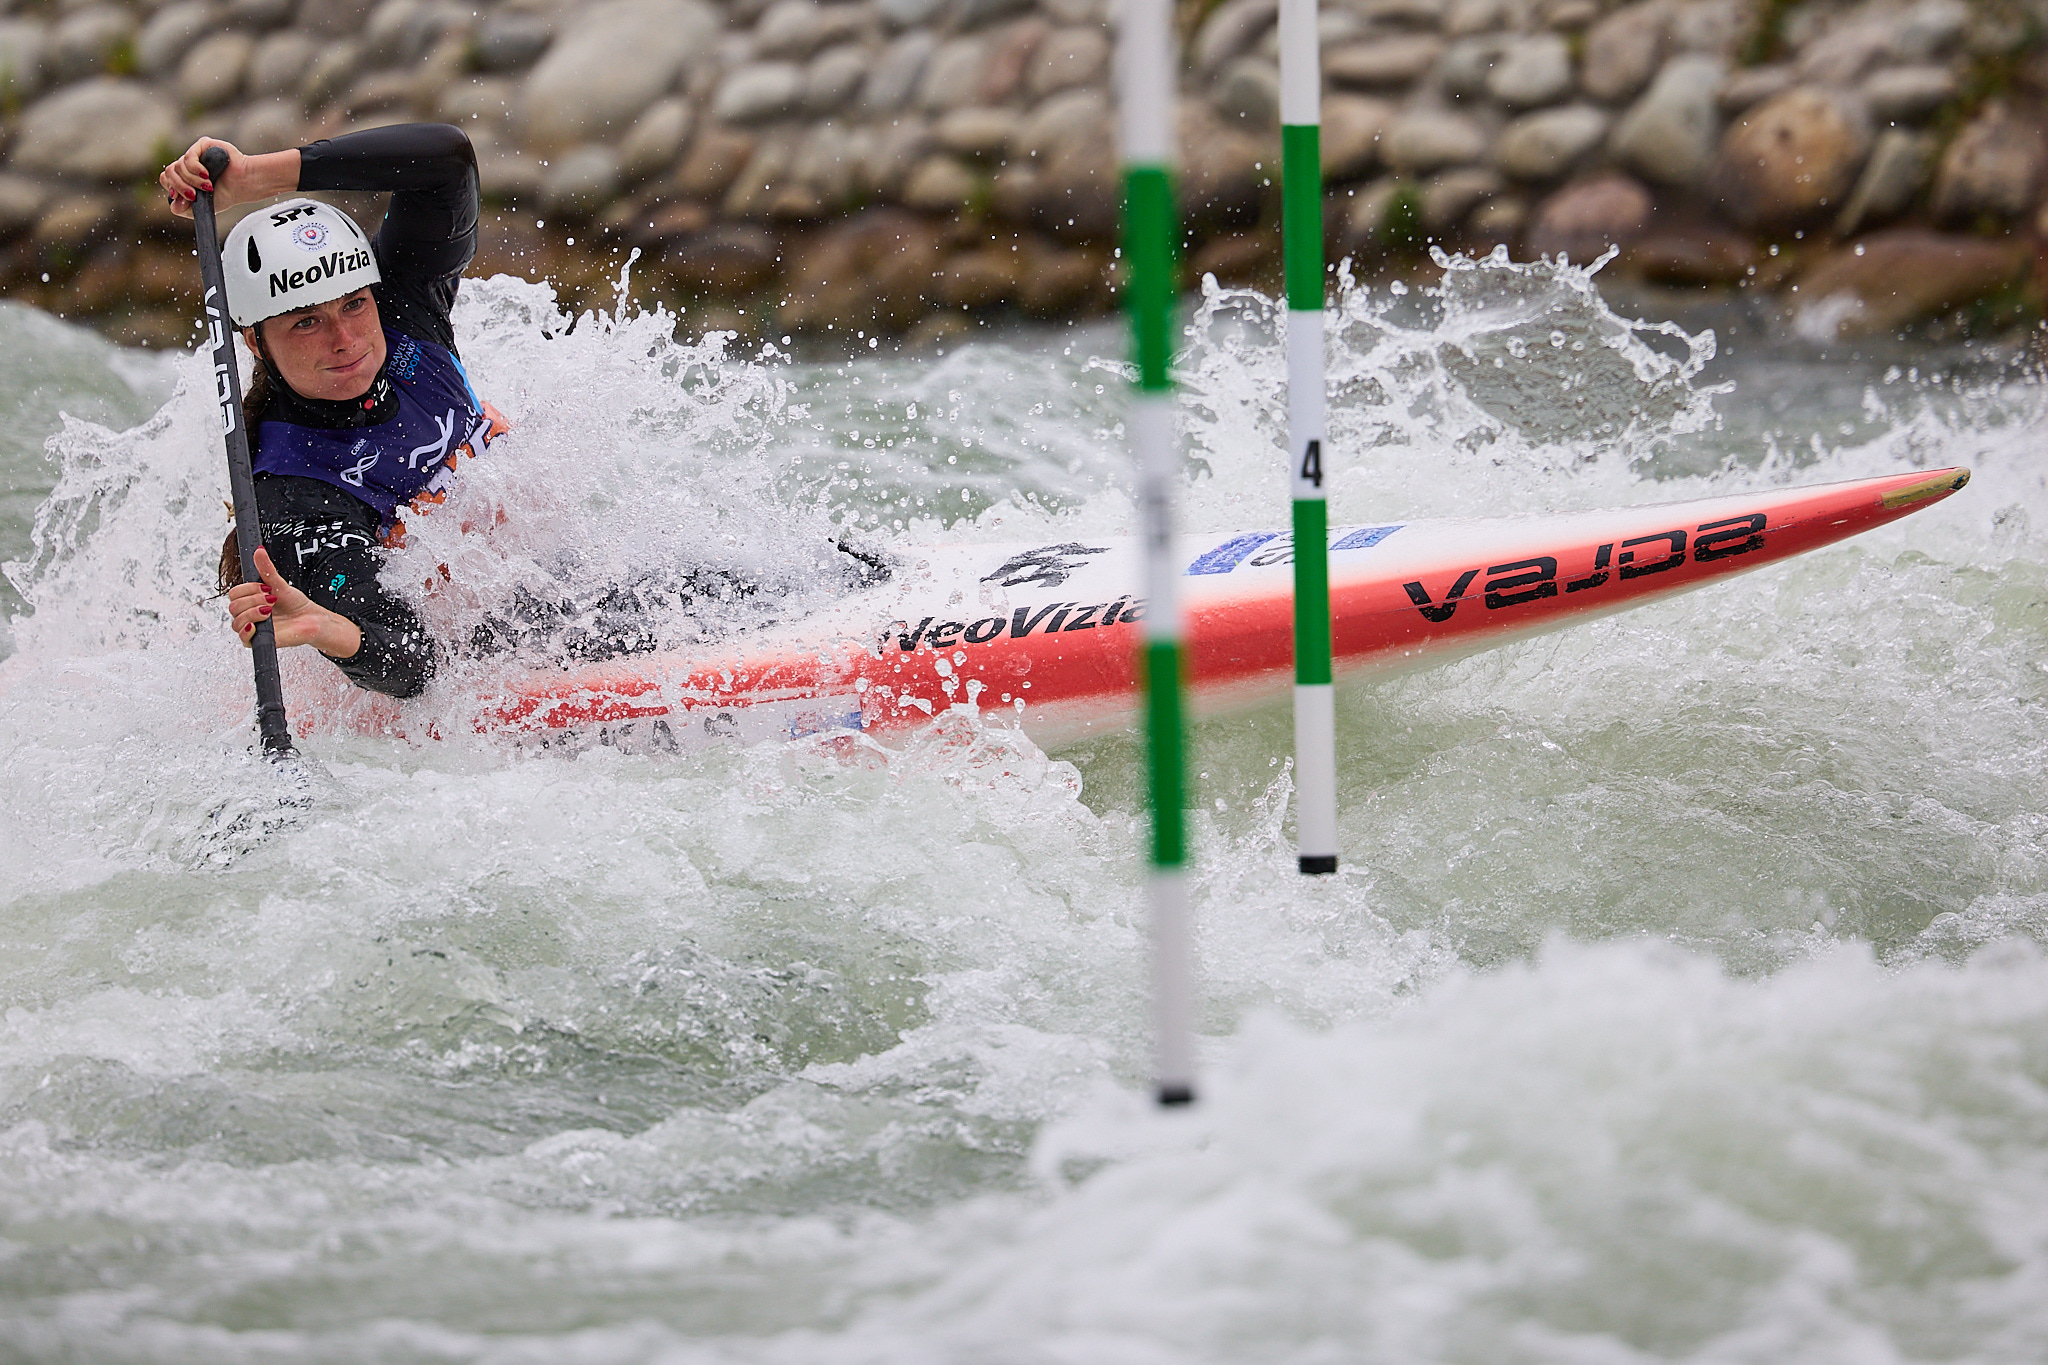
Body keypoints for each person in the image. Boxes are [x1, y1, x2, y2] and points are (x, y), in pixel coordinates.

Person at [161, 122, 501, 700]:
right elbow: (418, 667)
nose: (346, 340)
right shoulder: (293, 496)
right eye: (305, 321)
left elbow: (448, 161)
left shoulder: (404, 309)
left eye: (353, 306)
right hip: (486, 658)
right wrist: (326, 628)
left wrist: (257, 177)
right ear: (255, 342)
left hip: (556, 580)